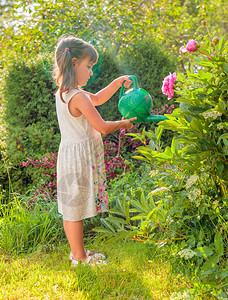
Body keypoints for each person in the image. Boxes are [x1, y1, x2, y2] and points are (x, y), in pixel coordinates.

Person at [53, 36, 137, 266]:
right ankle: (79, 258)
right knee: (74, 211)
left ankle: (77, 253)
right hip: (78, 159)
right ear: (73, 63)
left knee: (73, 208)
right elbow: (101, 126)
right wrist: (123, 123)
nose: (91, 72)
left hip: (70, 156)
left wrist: (117, 82)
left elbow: (98, 98)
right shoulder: (78, 97)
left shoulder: (65, 93)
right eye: (88, 67)